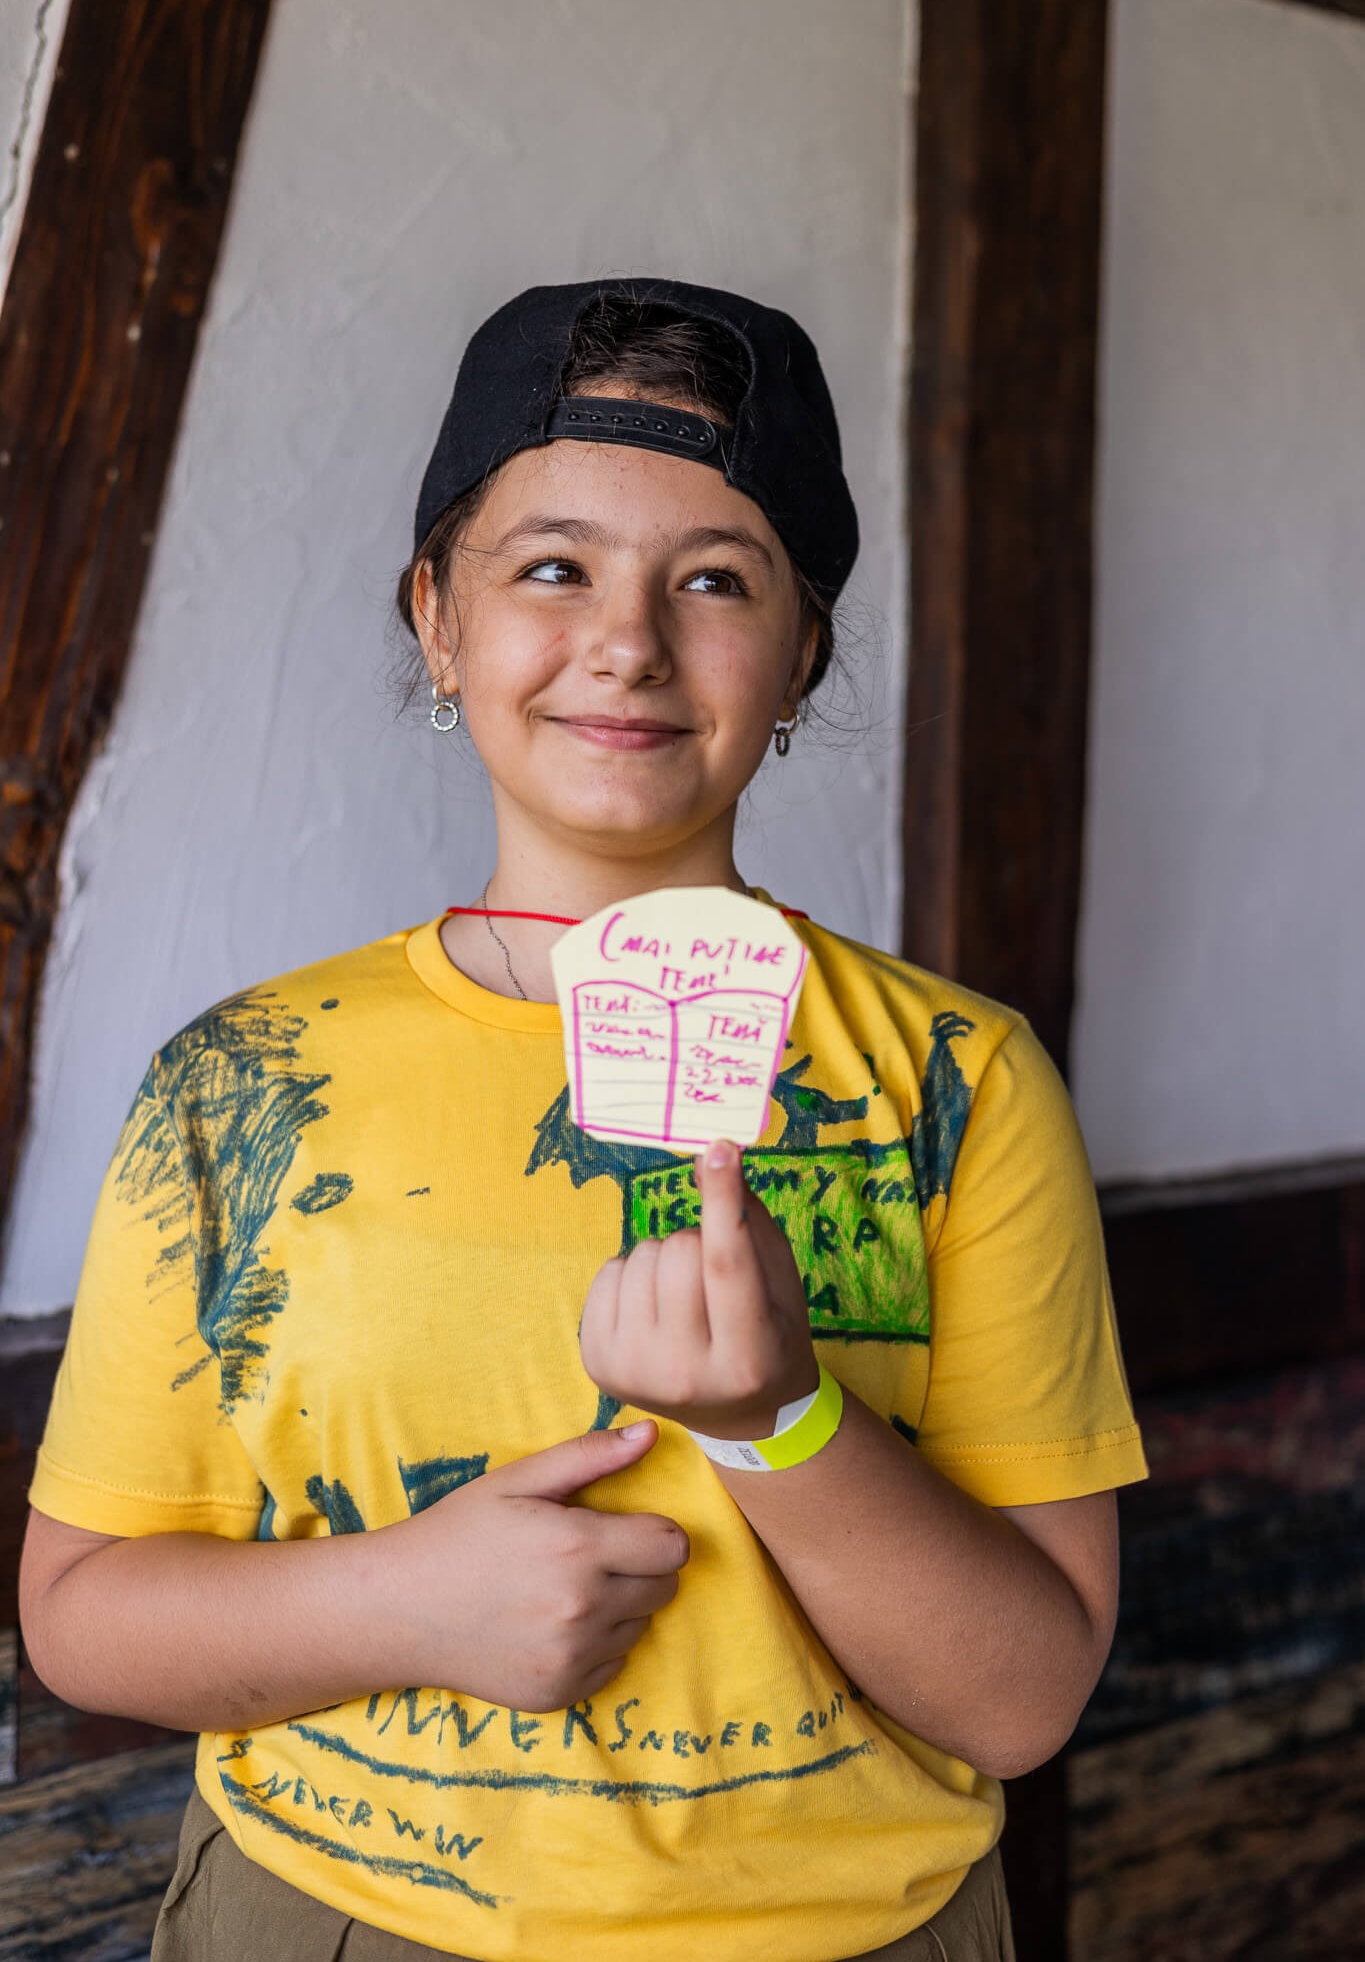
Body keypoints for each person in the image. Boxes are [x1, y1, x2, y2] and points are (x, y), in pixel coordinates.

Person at [19, 278, 1147, 1962]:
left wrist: (780, 1420)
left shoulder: (949, 1082)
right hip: (325, 1918)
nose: (627, 640)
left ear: (801, 650)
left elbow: (1022, 1697)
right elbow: (80, 1619)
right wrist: (405, 1603)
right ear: (437, 617)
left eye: (714, 580)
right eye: (551, 567)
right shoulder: (238, 1080)